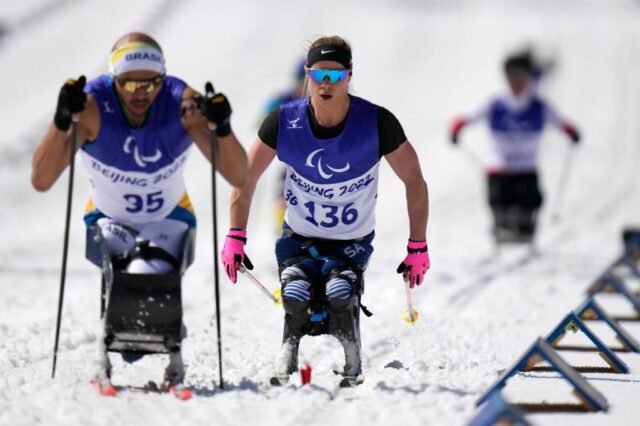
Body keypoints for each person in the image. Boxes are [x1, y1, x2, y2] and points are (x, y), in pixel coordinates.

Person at [31, 32, 247, 394]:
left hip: (169, 216)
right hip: (107, 217)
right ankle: (104, 355)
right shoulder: (92, 106)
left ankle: (173, 354)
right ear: (113, 79)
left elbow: (238, 175)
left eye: (150, 84)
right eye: (129, 84)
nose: (140, 93)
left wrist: (222, 128)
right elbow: (41, 179)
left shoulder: (184, 104)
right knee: (121, 281)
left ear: (162, 78)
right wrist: (61, 120)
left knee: (151, 277)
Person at [221, 36, 430, 385]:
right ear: (307, 74)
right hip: (298, 237)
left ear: (350, 74)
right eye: (319, 75)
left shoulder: (377, 122)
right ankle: (288, 347)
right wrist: (235, 236)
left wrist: (417, 246)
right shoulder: (283, 121)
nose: (326, 84)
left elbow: (415, 181)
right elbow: (245, 177)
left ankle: (351, 351)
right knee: (295, 293)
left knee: (338, 294)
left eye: (335, 75)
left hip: (351, 242)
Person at [449, 51, 580, 246]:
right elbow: (468, 118)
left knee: (531, 199)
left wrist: (571, 132)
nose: (516, 82)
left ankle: (525, 225)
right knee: (497, 196)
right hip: (500, 168)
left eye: (521, 76)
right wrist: (456, 128)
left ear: (529, 78)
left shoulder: (538, 106)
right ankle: (501, 223)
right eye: (511, 76)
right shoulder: (495, 104)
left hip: (526, 169)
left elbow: (561, 122)